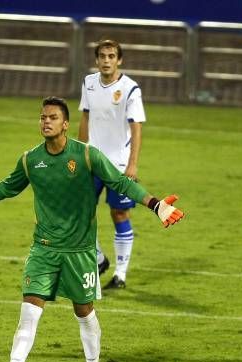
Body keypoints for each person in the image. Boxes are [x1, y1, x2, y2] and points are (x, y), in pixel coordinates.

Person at [0, 97, 184, 362]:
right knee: (29, 311)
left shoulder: (85, 156)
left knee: (84, 312)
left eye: (52, 117)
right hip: (44, 249)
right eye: (42, 117)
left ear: (65, 124)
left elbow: (121, 183)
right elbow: (7, 187)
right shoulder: (31, 160)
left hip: (80, 252)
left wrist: (156, 205)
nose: (45, 121)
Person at [78, 38, 146, 290]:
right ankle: (99, 258)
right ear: (97, 60)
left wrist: (133, 165)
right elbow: (85, 117)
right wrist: (77, 154)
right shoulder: (88, 83)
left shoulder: (130, 89)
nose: (106, 61)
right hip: (92, 161)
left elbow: (136, 128)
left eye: (111, 56)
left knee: (119, 214)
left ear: (119, 60)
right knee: (80, 212)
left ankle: (120, 274)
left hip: (118, 165)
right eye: (102, 56)